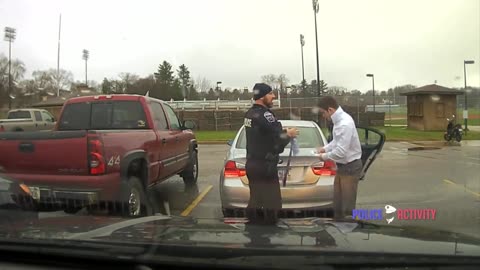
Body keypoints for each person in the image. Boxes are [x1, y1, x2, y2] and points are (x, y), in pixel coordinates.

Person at [244, 83, 298, 225]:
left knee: (256, 200)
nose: (273, 96)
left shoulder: (250, 113)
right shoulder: (265, 115)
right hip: (265, 166)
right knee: (272, 204)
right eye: (270, 93)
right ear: (262, 96)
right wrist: (289, 134)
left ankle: (253, 233)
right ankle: (269, 235)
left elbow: (264, 135)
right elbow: (277, 140)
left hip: (252, 165)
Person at [316, 96, 362, 220]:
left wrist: (323, 157)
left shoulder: (344, 124)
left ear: (330, 110)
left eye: (323, 113)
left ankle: (347, 232)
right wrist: (325, 149)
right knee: (338, 203)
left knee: (346, 206)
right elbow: (336, 141)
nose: (323, 116)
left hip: (350, 167)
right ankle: (339, 227)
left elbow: (341, 152)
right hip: (343, 167)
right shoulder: (339, 121)